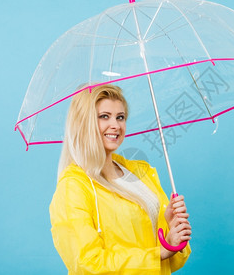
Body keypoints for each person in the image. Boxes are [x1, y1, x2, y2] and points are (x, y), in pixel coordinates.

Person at [49, 84, 192, 274]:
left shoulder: (139, 172)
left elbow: (168, 262)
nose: (115, 125)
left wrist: (171, 232)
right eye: (104, 116)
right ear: (83, 122)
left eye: (120, 117)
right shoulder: (74, 187)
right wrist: (160, 252)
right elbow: (87, 263)